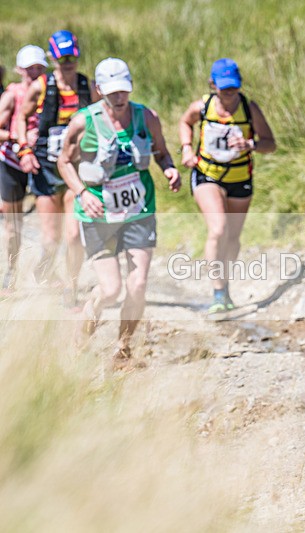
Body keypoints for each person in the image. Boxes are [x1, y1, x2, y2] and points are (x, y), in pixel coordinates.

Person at [57, 57, 181, 367]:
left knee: (137, 285)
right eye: (112, 92)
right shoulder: (83, 122)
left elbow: (162, 153)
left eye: (124, 90)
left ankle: (123, 351)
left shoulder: (146, 117)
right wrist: (82, 193)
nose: (119, 97)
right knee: (110, 289)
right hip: (98, 214)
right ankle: (80, 337)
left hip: (138, 210)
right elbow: (63, 163)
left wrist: (170, 170)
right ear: (99, 90)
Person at [178, 58, 276, 314]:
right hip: (207, 175)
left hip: (240, 178)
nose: (229, 93)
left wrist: (250, 145)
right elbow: (184, 122)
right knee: (218, 229)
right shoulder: (202, 106)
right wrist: (187, 148)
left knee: (233, 239)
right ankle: (218, 292)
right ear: (213, 85)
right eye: (224, 88)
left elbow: (270, 143)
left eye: (233, 87)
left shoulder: (249, 108)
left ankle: (225, 285)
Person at [16, 30, 97, 303]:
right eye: (62, 58)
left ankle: (71, 290)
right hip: (46, 170)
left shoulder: (88, 86)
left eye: (72, 56)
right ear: (53, 58)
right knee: (51, 239)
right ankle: (43, 272)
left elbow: (103, 118)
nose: (68, 62)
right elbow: (21, 117)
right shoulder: (41, 86)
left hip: (76, 169)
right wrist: (24, 149)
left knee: (74, 236)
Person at [0, 45, 48, 291]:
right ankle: (11, 270)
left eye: (40, 68)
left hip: (41, 163)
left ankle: (45, 271)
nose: (35, 73)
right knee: (13, 224)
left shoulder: (50, 93)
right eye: (30, 69)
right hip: (12, 164)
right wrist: (18, 138)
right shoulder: (12, 95)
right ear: (20, 70)